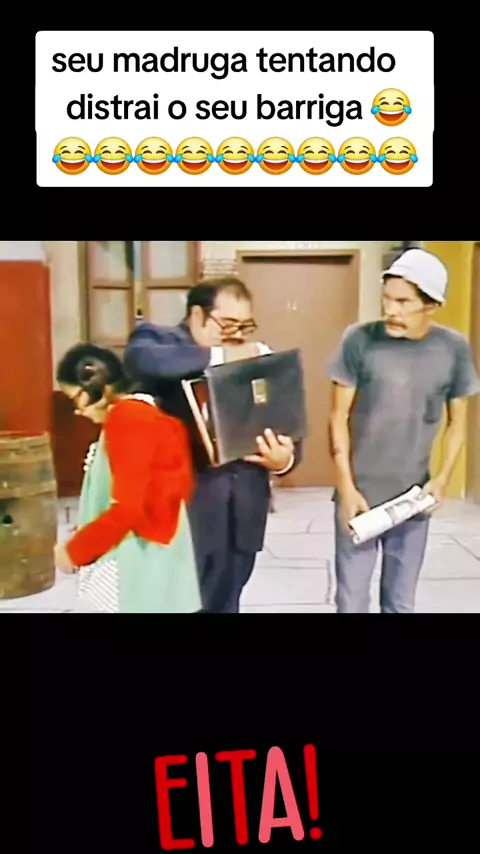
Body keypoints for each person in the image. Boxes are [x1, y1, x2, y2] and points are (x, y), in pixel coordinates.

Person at [124, 277, 303, 613]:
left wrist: (283, 460)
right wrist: (222, 356)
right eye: (228, 324)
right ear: (197, 315)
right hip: (182, 521)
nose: (237, 335)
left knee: (226, 604)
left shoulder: (255, 361)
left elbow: (290, 430)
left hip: (241, 518)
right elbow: (143, 360)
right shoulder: (159, 342)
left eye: (245, 326)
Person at [327, 247, 480, 614]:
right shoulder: (358, 340)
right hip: (360, 496)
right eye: (387, 298)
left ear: (431, 304)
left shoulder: (453, 348)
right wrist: (346, 487)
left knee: (399, 602)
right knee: (350, 601)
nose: (390, 310)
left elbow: (458, 423)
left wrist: (442, 479)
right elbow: (337, 417)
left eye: (403, 302)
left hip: (413, 498)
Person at [54, 343, 202, 613]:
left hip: (133, 555)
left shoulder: (128, 418)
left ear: (96, 386)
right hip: (147, 546)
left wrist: (75, 550)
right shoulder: (143, 413)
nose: (77, 410)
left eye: (75, 398)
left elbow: (127, 508)